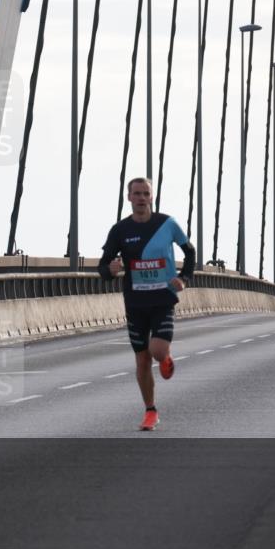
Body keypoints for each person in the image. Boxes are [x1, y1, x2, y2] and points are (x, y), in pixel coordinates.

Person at [97, 177, 196, 431]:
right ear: (128, 198)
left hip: (163, 299)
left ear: (151, 197)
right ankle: (150, 411)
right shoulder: (119, 231)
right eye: (136, 194)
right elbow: (103, 267)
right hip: (135, 303)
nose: (141, 198)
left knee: (157, 351)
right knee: (142, 361)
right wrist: (111, 269)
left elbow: (190, 252)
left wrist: (184, 278)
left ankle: (165, 358)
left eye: (145, 193)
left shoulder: (167, 224)